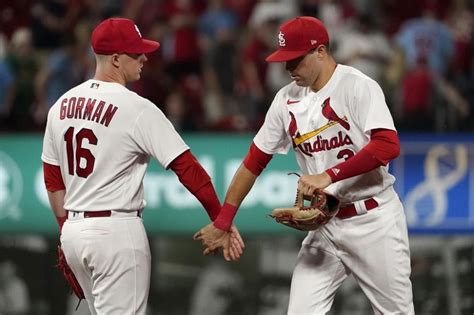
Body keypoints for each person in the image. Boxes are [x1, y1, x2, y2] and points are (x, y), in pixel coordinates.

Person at [194, 16, 414, 314]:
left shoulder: (357, 86)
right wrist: (224, 220)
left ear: (320, 51)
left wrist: (329, 175)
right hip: (324, 225)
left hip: (373, 220)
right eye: (285, 60)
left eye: (296, 60)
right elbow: (253, 163)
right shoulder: (286, 100)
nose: (288, 68)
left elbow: (388, 144)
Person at [41, 17, 243, 314]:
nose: (145, 57)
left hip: (73, 233)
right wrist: (219, 217)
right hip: (116, 232)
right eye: (136, 53)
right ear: (116, 59)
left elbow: (53, 179)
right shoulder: (136, 107)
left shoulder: (61, 105)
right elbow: (188, 168)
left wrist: (65, 230)